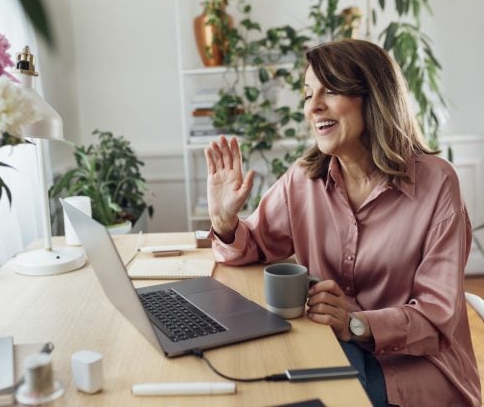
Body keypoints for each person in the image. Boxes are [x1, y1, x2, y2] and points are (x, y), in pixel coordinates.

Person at [204, 39, 481, 407]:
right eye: (307, 94)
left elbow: (436, 315)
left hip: (416, 368)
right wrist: (225, 222)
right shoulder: (304, 179)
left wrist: (355, 324)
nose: (313, 106)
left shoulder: (437, 183)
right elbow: (254, 245)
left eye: (330, 90)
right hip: (333, 344)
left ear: (375, 98)